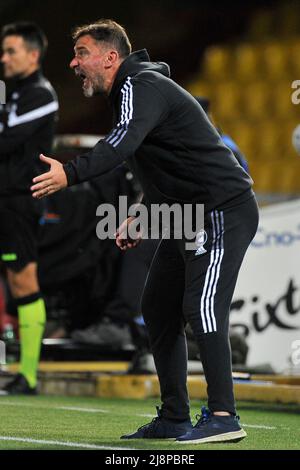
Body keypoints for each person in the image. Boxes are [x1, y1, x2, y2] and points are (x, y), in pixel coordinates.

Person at [31, 19, 259, 444]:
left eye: (81, 53)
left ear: (110, 56)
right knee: (157, 308)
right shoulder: (132, 92)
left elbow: (119, 146)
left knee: (202, 306)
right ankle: (175, 416)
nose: (73, 62)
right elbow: (162, 164)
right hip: (184, 213)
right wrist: (140, 213)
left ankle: (225, 415)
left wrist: (71, 172)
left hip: (220, 210)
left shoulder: (139, 86)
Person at [0, 22, 58, 395]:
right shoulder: (14, 93)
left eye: (11, 52)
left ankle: (30, 375)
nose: (3, 59)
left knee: (23, 280)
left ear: (33, 55)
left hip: (18, 199)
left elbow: (4, 140)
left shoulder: (41, 94)